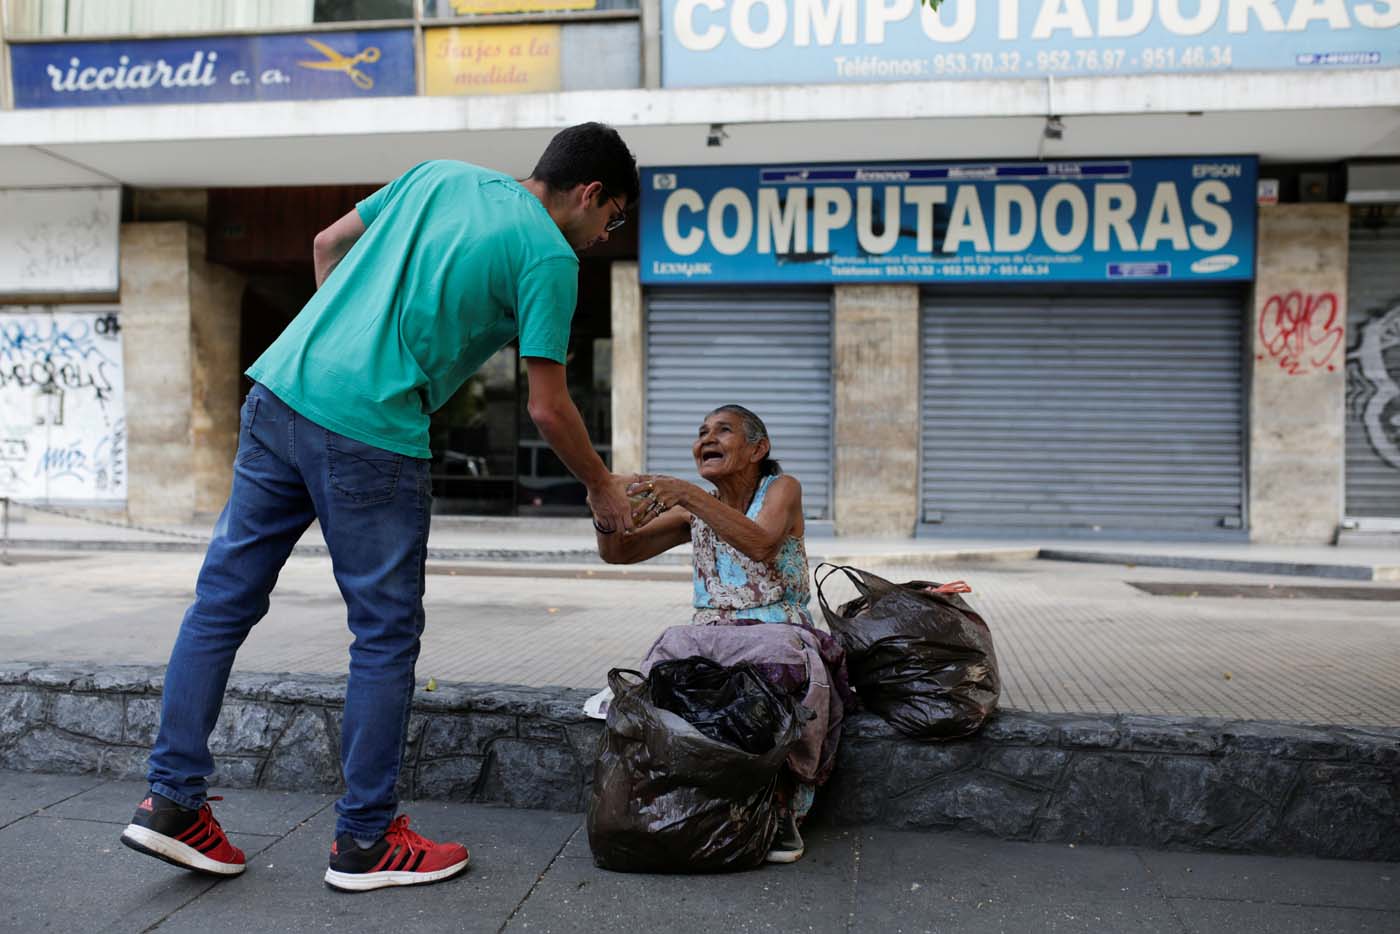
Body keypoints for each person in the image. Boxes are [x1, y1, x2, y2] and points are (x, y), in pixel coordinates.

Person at [120, 123, 640, 892]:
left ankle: (171, 803)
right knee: (385, 635)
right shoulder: (549, 256)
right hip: (372, 434)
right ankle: (365, 842)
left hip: (282, 393)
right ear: (590, 193)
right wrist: (603, 486)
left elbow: (329, 242)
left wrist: (345, 345)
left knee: (222, 602)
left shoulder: (439, 175)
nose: (605, 236)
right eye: (614, 219)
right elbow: (548, 406)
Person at [591, 404, 849, 864]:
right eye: (701, 432)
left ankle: (779, 805)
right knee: (669, 656)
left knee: (775, 666)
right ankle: (686, 797)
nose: (706, 439)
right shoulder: (697, 509)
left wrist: (688, 494)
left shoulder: (781, 489)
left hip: (776, 629)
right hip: (710, 633)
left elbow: (761, 542)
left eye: (723, 430)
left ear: (758, 448)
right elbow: (620, 553)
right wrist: (604, 508)